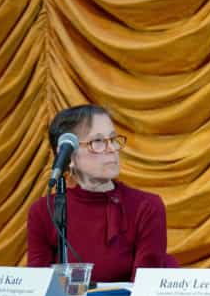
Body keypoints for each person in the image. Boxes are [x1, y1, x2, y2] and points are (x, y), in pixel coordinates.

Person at [27, 104, 172, 283]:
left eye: (112, 139)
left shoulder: (147, 206)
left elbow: (144, 291)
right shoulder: (43, 211)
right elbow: (37, 287)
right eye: (98, 142)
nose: (111, 148)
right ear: (68, 155)